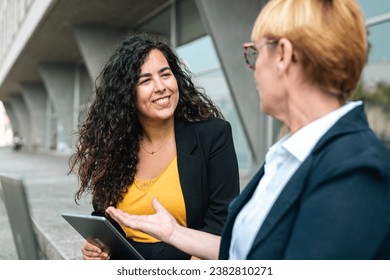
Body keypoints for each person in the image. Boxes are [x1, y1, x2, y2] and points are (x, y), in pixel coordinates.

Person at [106, 0, 390, 260]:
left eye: (254, 52)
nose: (253, 68)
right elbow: (249, 253)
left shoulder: (354, 169)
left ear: (283, 55)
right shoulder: (289, 155)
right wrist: (174, 233)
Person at [68, 33, 240, 260]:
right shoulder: (113, 145)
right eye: (145, 80)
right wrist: (99, 248)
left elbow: (222, 220)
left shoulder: (213, 135)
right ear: (126, 94)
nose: (160, 87)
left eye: (165, 74)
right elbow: (106, 217)